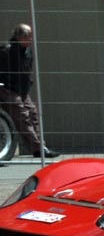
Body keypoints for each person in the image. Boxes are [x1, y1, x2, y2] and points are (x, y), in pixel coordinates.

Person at [0, 24, 60, 158]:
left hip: (23, 89)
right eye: (28, 36)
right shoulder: (6, 51)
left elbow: (27, 69)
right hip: (8, 89)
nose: (31, 39)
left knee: (33, 114)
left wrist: (28, 83)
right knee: (23, 118)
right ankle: (39, 148)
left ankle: (40, 147)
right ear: (19, 37)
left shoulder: (28, 51)